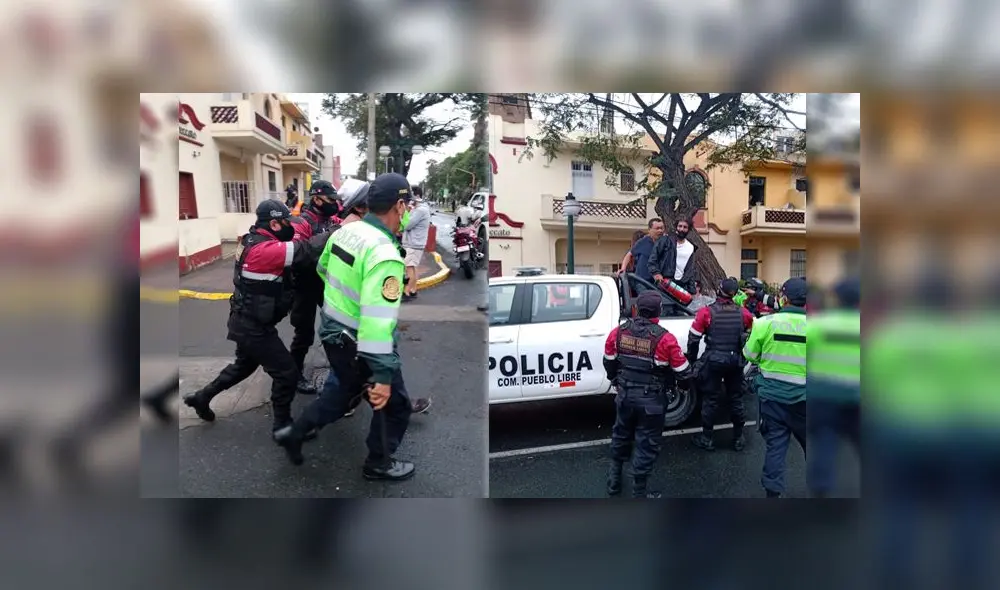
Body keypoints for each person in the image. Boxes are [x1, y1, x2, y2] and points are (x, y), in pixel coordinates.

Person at [273, 173, 422, 480]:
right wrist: (382, 375)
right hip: (360, 343)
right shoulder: (384, 255)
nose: (407, 211)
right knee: (395, 405)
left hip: (333, 333)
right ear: (398, 206)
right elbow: (377, 323)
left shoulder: (346, 232)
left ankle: (294, 433)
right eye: (406, 205)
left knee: (342, 392)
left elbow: (323, 268)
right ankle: (378, 463)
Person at [182, 200, 326, 435]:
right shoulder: (264, 250)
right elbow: (306, 250)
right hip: (253, 327)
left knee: (244, 367)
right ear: (274, 224)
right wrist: (341, 231)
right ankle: (283, 427)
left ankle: (201, 398)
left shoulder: (253, 240)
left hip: (246, 321)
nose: (290, 226)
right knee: (286, 373)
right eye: (286, 222)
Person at [604, 290, 693, 498]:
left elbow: (608, 360)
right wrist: (683, 388)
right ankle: (639, 493)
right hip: (651, 401)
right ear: (659, 311)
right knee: (647, 444)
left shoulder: (618, 332)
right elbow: (683, 371)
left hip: (625, 395)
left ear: (636, 309)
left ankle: (614, 482)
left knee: (620, 435)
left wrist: (615, 381)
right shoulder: (665, 339)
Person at [743, 277, 808, 498]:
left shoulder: (764, 323)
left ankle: (773, 495)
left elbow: (749, 354)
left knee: (776, 447)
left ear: (784, 298)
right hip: (805, 401)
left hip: (772, 399)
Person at [806, 277, 860, 498]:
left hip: (823, 397)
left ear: (836, 299)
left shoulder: (818, 325)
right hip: (858, 399)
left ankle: (821, 493)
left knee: (825, 446)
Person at [687, 277, 755, 452]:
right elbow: (752, 335)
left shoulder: (706, 312)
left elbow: (693, 339)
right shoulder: (744, 313)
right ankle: (738, 438)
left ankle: (707, 438)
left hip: (714, 361)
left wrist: (693, 361)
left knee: (710, 399)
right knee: (736, 398)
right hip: (735, 362)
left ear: (719, 291)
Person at [287, 180, 342, 395]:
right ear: (317, 199)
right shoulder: (301, 222)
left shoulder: (331, 220)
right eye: (330, 200)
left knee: (338, 326)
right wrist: (331, 235)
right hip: (304, 285)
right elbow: (299, 253)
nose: (335, 204)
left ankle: (342, 370)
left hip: (326, 282)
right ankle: (295, 376)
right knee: (304, 334)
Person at [649, 218, 698, 295]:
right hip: (665, 283)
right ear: (676, 227)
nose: (682, 229)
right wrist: (656, 273)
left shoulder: (691, 247)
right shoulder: (665, 241)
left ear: (689, 229)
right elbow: (653, 259)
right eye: (680, 226)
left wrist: (692, 290)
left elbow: (690, 270)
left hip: (681, 286)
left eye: (685, 227)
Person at [401, 186, 431, 300]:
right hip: (415, 242)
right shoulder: (419, 208)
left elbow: (407, 225)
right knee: (413, 268)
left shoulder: (420, 210)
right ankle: (413, 290)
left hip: (413, 243)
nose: (409, 198)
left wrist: (404, 212)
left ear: (417, 195)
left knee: (409, 268)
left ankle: (407, 292)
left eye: (410, 195)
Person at [618, 218, 665, 282]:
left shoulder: (666, 243)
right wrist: (623, 269)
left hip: (657, 282)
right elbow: (629, 255)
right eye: (657, 228)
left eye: (661, 228)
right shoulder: (643, 241)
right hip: (641, 281)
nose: (660, 231)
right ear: (649, 230)